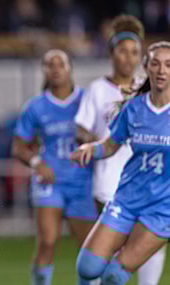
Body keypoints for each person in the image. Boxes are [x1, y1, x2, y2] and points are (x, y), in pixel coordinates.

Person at [75, 15, 166, 285]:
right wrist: (92, 146)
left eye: (169, 65)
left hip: (162, 205)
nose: (162, 71)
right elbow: (109, 142)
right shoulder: (133, 106)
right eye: (157, 64)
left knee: (118, 273)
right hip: (122, 193)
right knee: (89, 267)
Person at [12, 49, 97, 285]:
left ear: (71, 68)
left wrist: (91, 139)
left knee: (88, 250)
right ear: (45, 71)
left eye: (61, 64)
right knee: (48, 241)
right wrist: (37, 163)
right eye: (50, 64)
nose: (56, 69)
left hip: (82, 181)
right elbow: (18, 147)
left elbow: (106, 136)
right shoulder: (36, 106)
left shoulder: (87, 100)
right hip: (50, 182)